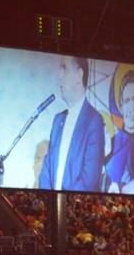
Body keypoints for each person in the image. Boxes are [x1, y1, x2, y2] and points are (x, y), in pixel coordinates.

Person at [38, 55, 105, 192]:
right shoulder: (58, 120)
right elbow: (47, 167)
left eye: (65, 69)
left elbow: (89, 180)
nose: (60, 76)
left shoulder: (94, 120)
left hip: (72, 206)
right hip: (50, 204)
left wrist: (65, 201)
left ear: (79, 76)